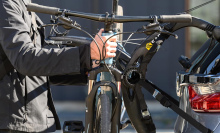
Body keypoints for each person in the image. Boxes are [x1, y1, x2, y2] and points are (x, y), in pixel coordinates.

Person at [0, 0, 117, 132]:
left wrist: (87, 66)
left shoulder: (22, 5)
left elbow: (41, 69)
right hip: (14, 123)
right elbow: (26, 60)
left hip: (31, 122)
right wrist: (86, 54)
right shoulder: (6, 6)